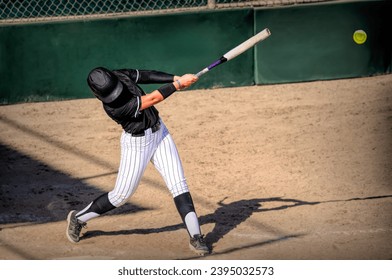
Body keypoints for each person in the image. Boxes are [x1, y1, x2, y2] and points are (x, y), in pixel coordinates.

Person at [66, 66, 209, 255]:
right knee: (121, 196)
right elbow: (152, 99)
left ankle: (196, 236)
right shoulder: (114, 108)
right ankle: (79, 218)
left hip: (161, 134)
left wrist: (176, 77)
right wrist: (178, 84)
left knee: (179, 185)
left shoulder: (120, 75)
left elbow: (146, 75)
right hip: (137, 144)